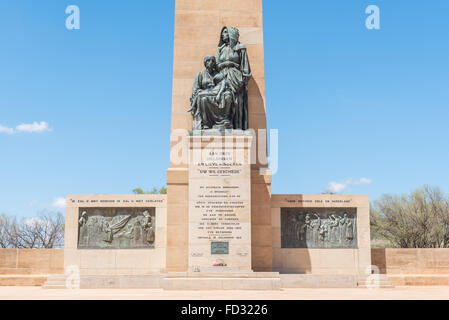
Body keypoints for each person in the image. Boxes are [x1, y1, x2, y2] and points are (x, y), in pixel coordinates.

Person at [216, 27, 252, 129]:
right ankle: (224, 120)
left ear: (231, 34)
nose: (223, 35)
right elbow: (217, 64)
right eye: (222, 33)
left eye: (226, 32)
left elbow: (245, 66)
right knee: (224, 96)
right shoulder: (221, 49)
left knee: (237, 102)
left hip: (235, 76)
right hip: (223, 75)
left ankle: (237, 126)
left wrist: (244, 79)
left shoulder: (240, 48)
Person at [189, 55, 233, 129]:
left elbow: (224, 84)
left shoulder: (218, 74)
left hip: (216, 94)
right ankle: (206, 123)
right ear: (205, 63)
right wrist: (200, 91)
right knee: (203, 99)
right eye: (208, 60)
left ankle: (224, 118)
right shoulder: (200, 75)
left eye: (213, 61)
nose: (211, 62)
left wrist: (219, 93)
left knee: (228, 95)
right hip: (206, 95)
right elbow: (196, 89)